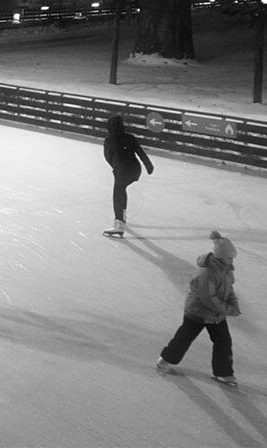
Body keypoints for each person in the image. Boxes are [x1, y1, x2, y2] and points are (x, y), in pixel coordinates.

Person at [156, 230, 241, 386]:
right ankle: (166, 359)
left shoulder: (226, 271)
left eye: (232, 257)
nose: (231, 261)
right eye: (229, 258)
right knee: (184, 338)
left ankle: (224, 373)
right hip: (197, 313)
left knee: (224, 342)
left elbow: (229, 289)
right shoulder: (206, 274)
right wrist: (228, 309)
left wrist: (234, 304)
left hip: (216, 315)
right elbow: (209, 298)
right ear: (220, 257)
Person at [102, 114, 154, 236]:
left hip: (122, 170)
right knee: (122, 189)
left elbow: (107, 157)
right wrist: (149, 166)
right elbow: (140, 152)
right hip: (135, 169)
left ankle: (119, 224)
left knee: (117, 194)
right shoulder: (130, 137)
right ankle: (122, 216)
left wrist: (115, 167)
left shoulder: (109, 140)